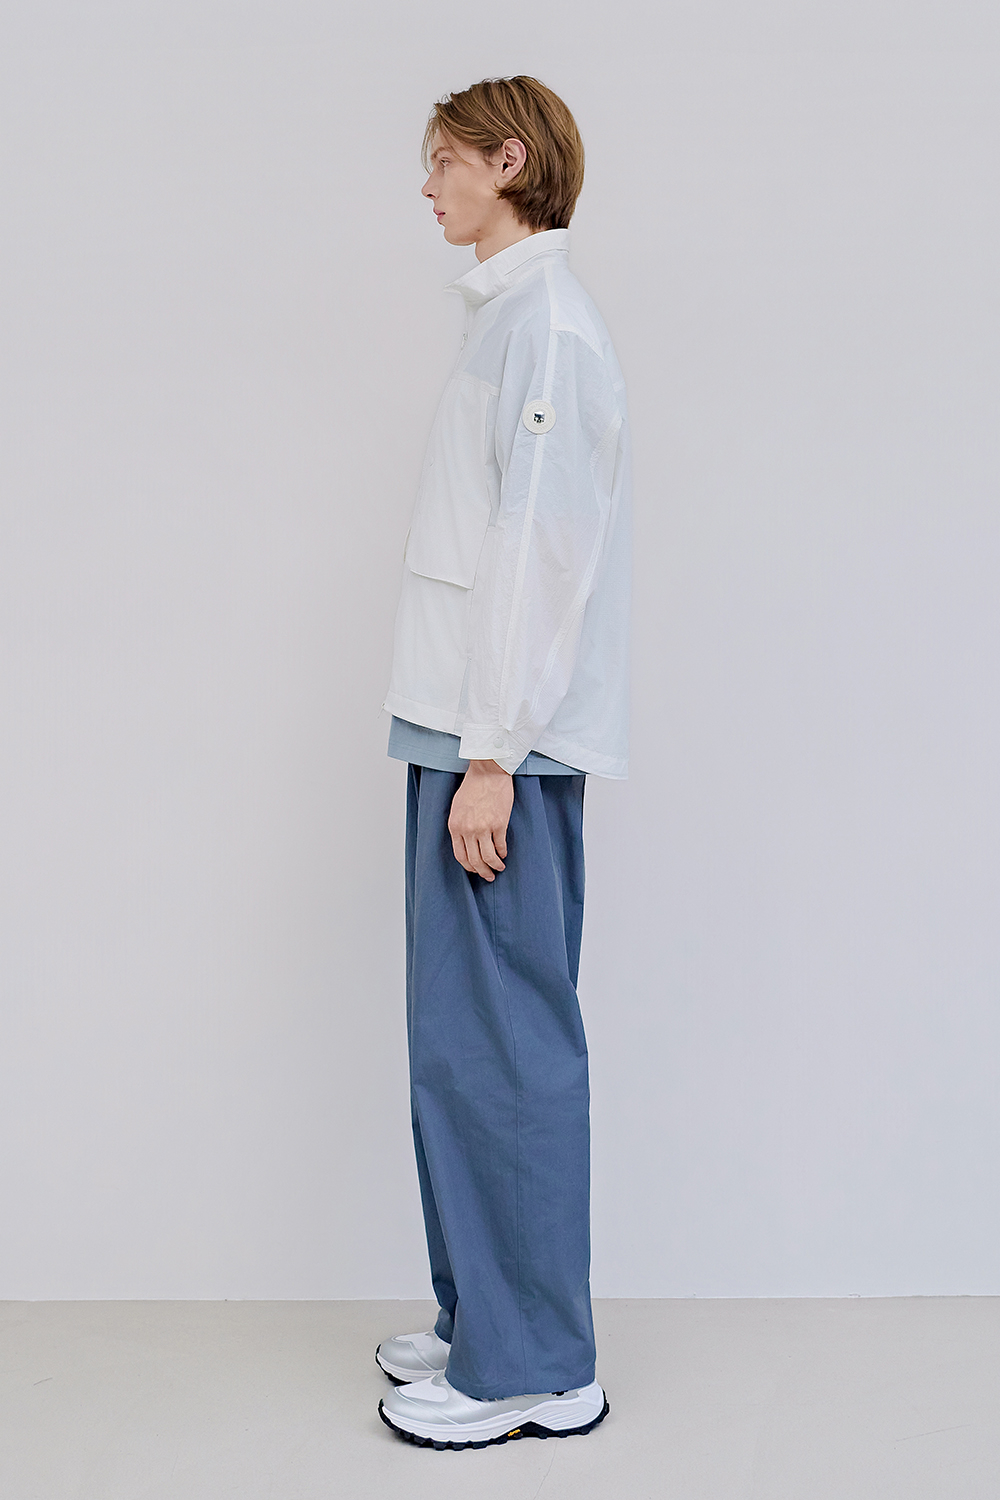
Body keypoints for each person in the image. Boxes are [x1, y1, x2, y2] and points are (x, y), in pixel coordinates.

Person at [375, 75, 631, 1451]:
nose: (427, 186)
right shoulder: (508, 320)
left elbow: (542, 557)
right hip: (464, 734)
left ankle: (537, 1364)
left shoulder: (551, 331)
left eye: (443, 161)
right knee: (458, 1047)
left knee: (507, 1050)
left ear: (508, 162)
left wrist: (491, 758)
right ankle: (484, 1314)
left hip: (497, 751)